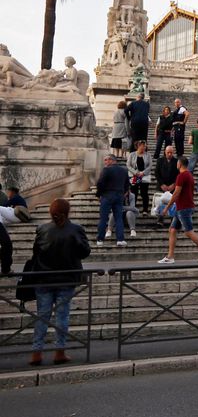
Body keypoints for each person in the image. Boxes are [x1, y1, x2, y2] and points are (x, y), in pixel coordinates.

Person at [28, 198, 90, 366]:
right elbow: (85, 253)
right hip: (66, 279)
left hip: (43, 279)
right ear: (68, 211)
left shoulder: (42, 229)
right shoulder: (76, 230)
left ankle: (36, 353)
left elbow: (36, 253)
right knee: (62, 316)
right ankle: (60, 352)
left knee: (42, 316)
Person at [158, 156, 198, 264]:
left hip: (184, 208)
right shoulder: (189, 175)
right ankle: (170, 256)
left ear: (179, 163)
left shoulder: (182, 176)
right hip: (182, 207)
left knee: (188, 232)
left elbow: (176, 193)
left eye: (177, 163)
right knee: (173, 230)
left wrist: (166, 207)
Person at [95, 154, 130, 247]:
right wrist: (123, 193)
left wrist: (99, 194)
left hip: (107, 196)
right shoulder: (124, 170)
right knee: (118, 218)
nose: (105, 162)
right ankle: (120, 239)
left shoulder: (106, 170)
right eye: (105, 160)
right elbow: (127, 184)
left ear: (112, 160)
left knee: (103, 218)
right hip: (119, 196)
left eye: (106, 160)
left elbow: (100, 183)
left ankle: (100, 239)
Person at [127, 140, 152, 216]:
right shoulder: (132, 154)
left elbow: (150, 165)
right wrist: (136, 173)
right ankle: (132, 208)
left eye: (145, 146)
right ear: (138, 146)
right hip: (135, 176)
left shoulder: (148, 155)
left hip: (144, 176)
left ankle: (145, 210)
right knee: (134, 192)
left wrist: (143, 173)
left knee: (144, 193)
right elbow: (128, 165)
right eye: (142, 146)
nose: (144, 147)